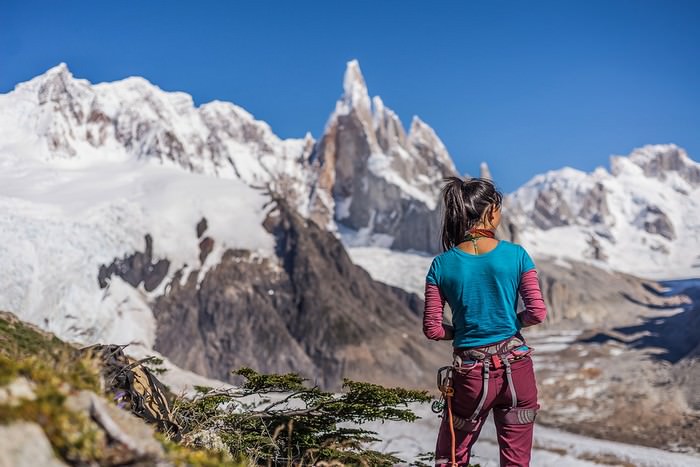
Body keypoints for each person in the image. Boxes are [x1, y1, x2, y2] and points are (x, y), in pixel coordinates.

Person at [423, 176, 547, 467]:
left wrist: (464, 330)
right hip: (517, 370)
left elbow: (432, 328)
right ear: (491, 211)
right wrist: (509, 322)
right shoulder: (516, 255)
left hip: (471, 375)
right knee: (516, 461)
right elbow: (537, 312)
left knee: (451, 457)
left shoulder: (441, 265)